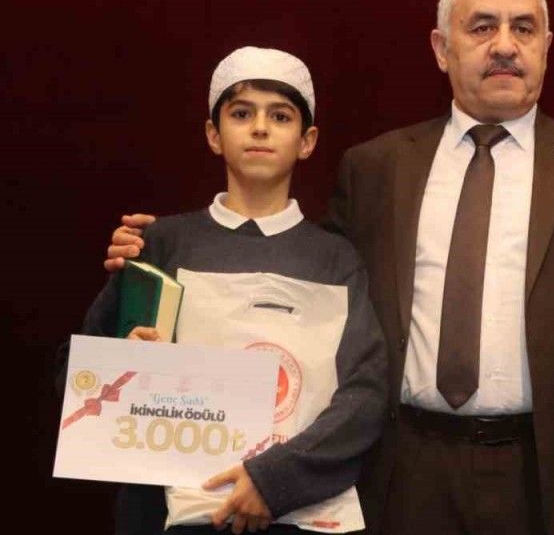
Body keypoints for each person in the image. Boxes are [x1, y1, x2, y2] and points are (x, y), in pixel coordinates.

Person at [109, 0, 554, 533]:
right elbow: (303, 292)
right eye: (482, 26)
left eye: (523, 28)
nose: (504, 45)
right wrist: (177, 245)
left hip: (547, 478)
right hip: (400, 473)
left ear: (546, 46)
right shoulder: (375, 168)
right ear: (441, 48)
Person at [67, 46, 387, 534]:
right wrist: (125, 361)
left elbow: (365, 395)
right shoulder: (162, 244)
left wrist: (273, 480)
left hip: (296, 516)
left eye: (280, 116)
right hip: (170, 519)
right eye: (241, 113)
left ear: (307, 141)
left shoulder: (336, 260)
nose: (260, 128)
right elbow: (79, 386)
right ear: (213, 135)